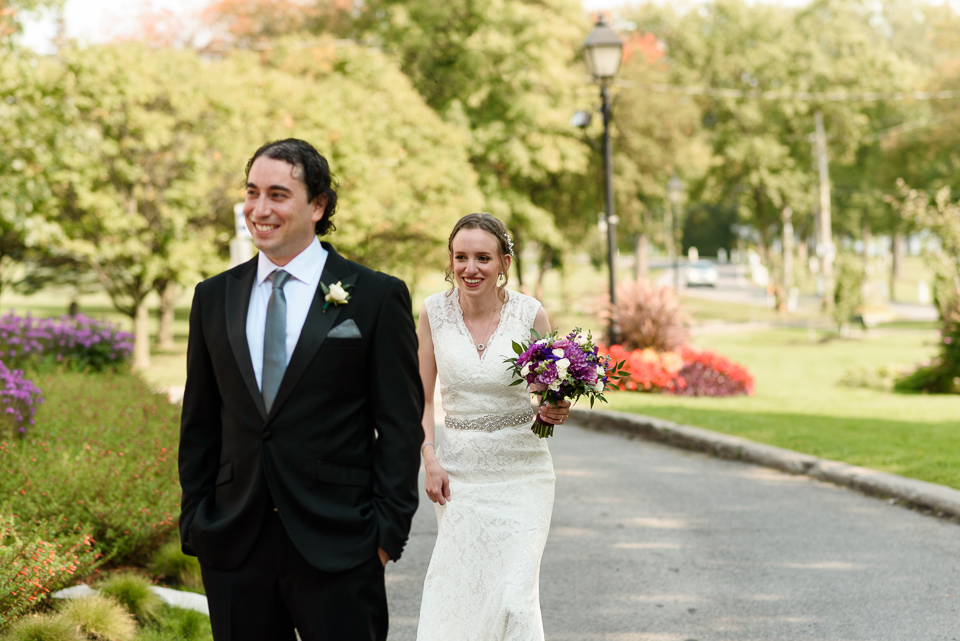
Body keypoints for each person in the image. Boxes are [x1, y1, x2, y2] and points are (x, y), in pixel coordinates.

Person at [177, 138, 424, 641]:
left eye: (277, 194)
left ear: (318, 205)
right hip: (234, 544)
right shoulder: (212, 298)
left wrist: (384, 536)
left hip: (340, 545)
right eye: (252, 192)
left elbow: (399, 426)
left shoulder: (375, 296)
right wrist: (196, 524)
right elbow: (200, 422)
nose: (259, 209)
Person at [416, 213, 570, 641]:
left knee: (514, 600)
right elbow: (422, 399)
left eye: (483, 257)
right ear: (450, 261)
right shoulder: (432, 314)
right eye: (461, 257)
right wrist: (430, 458)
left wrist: (556, 406)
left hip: (524, 475)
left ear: (504, 262)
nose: (471, 268)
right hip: (460, 478)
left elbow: (550, 389)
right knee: (461, 594)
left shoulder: (531, 314)